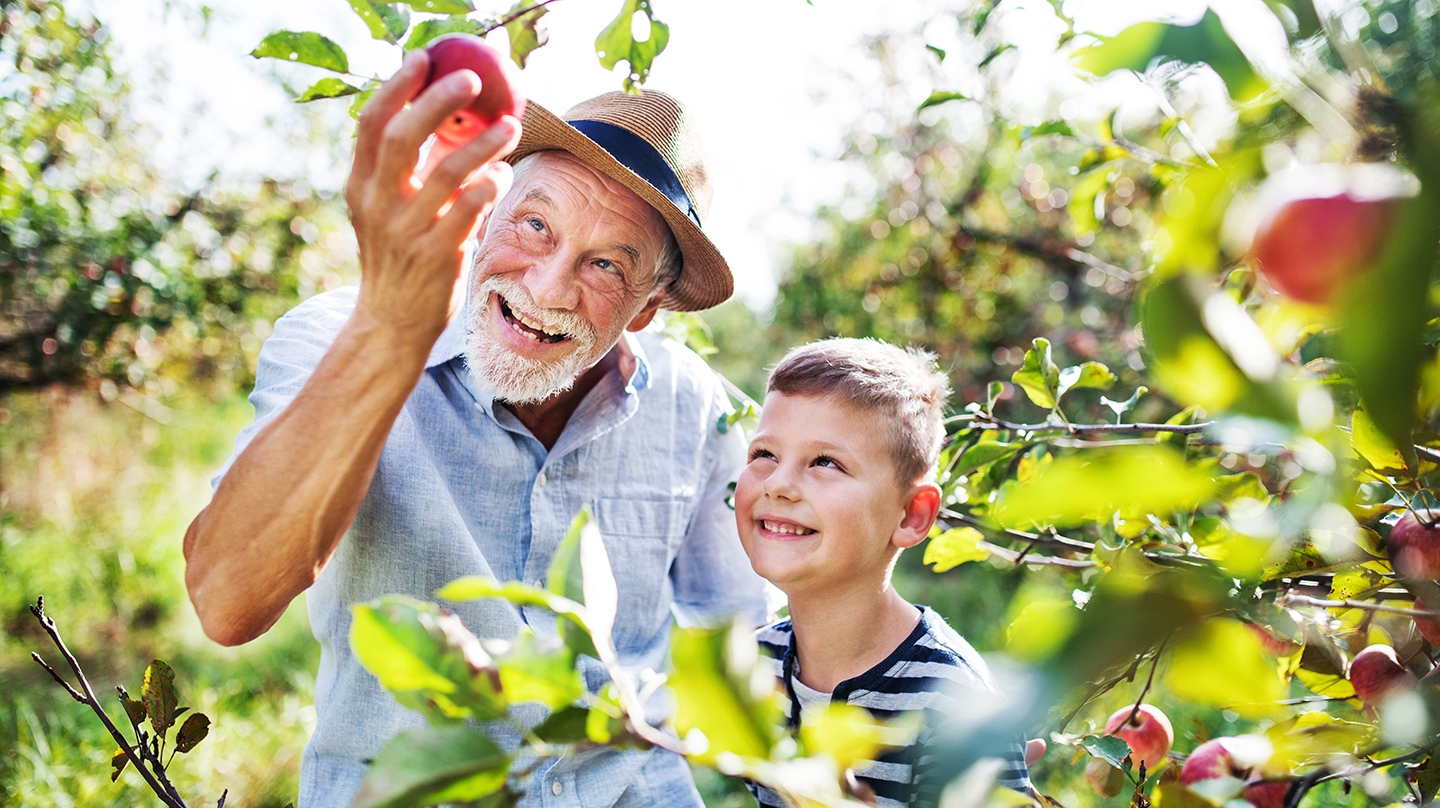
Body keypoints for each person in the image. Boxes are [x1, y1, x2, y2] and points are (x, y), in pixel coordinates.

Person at [182, 51, 768, 808]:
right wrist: (391, 334)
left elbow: (749, 641)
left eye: (605, 267)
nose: (547, 287)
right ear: (490, 206)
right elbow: (228, 600)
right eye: (534, 224)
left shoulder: (696, 407)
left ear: (648, 310)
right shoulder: (336, 337)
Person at [733, 337, 1032, 808]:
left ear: (912, 514)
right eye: (764, 454)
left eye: (825, 462)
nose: (779, 483)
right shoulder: (756, 667)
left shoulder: (951, 703)